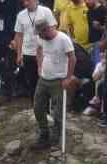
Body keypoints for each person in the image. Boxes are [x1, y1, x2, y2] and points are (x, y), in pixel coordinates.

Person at [32, 19, 75, 147]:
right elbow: (39, 50)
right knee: (38, 107)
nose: (39, 36)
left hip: (59, 80)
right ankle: (44, 132)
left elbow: (72, 58)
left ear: (47, 29)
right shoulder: (41, 38)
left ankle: (56, 136)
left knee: (58, 111)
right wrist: (39, 66)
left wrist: (68, 78)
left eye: (41, 33)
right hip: (44, 78)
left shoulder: (63, 39)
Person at [13, 0, 57, 98]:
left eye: (28, 1)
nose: (26, 3)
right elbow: (19, 35)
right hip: (28, 53)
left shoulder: (45, 11)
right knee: (32, 82)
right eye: (24, 1)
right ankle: (35, 106)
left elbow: (53, 28)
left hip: (44, 52)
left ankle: (47, 105)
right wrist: (19, 54)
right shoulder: (21, 15)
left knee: (46, 80)